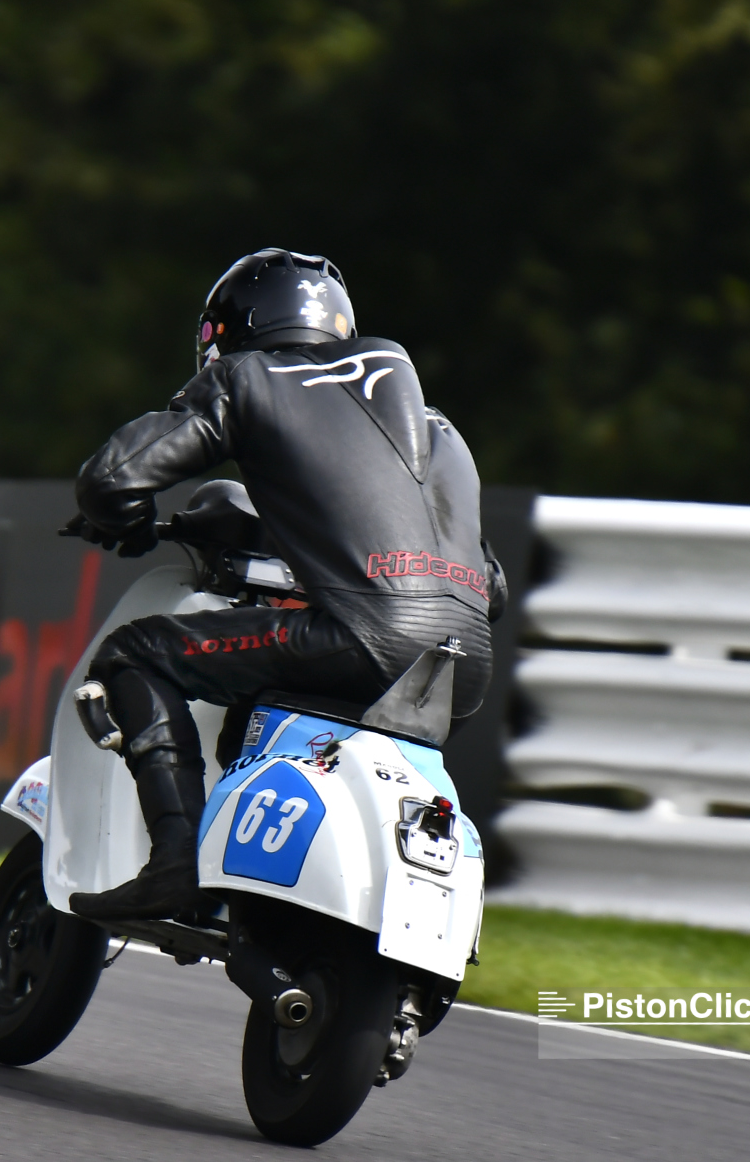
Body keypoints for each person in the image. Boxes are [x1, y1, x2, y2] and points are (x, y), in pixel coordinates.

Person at [64, 249, 508, 922]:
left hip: (358, 640)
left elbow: (111, 478)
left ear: (231, 332)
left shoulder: (253, 377)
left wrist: (127, 524)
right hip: (463, 668)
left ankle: (176, 860)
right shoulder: (433, 424)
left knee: (135, 654)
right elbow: (492, 584)